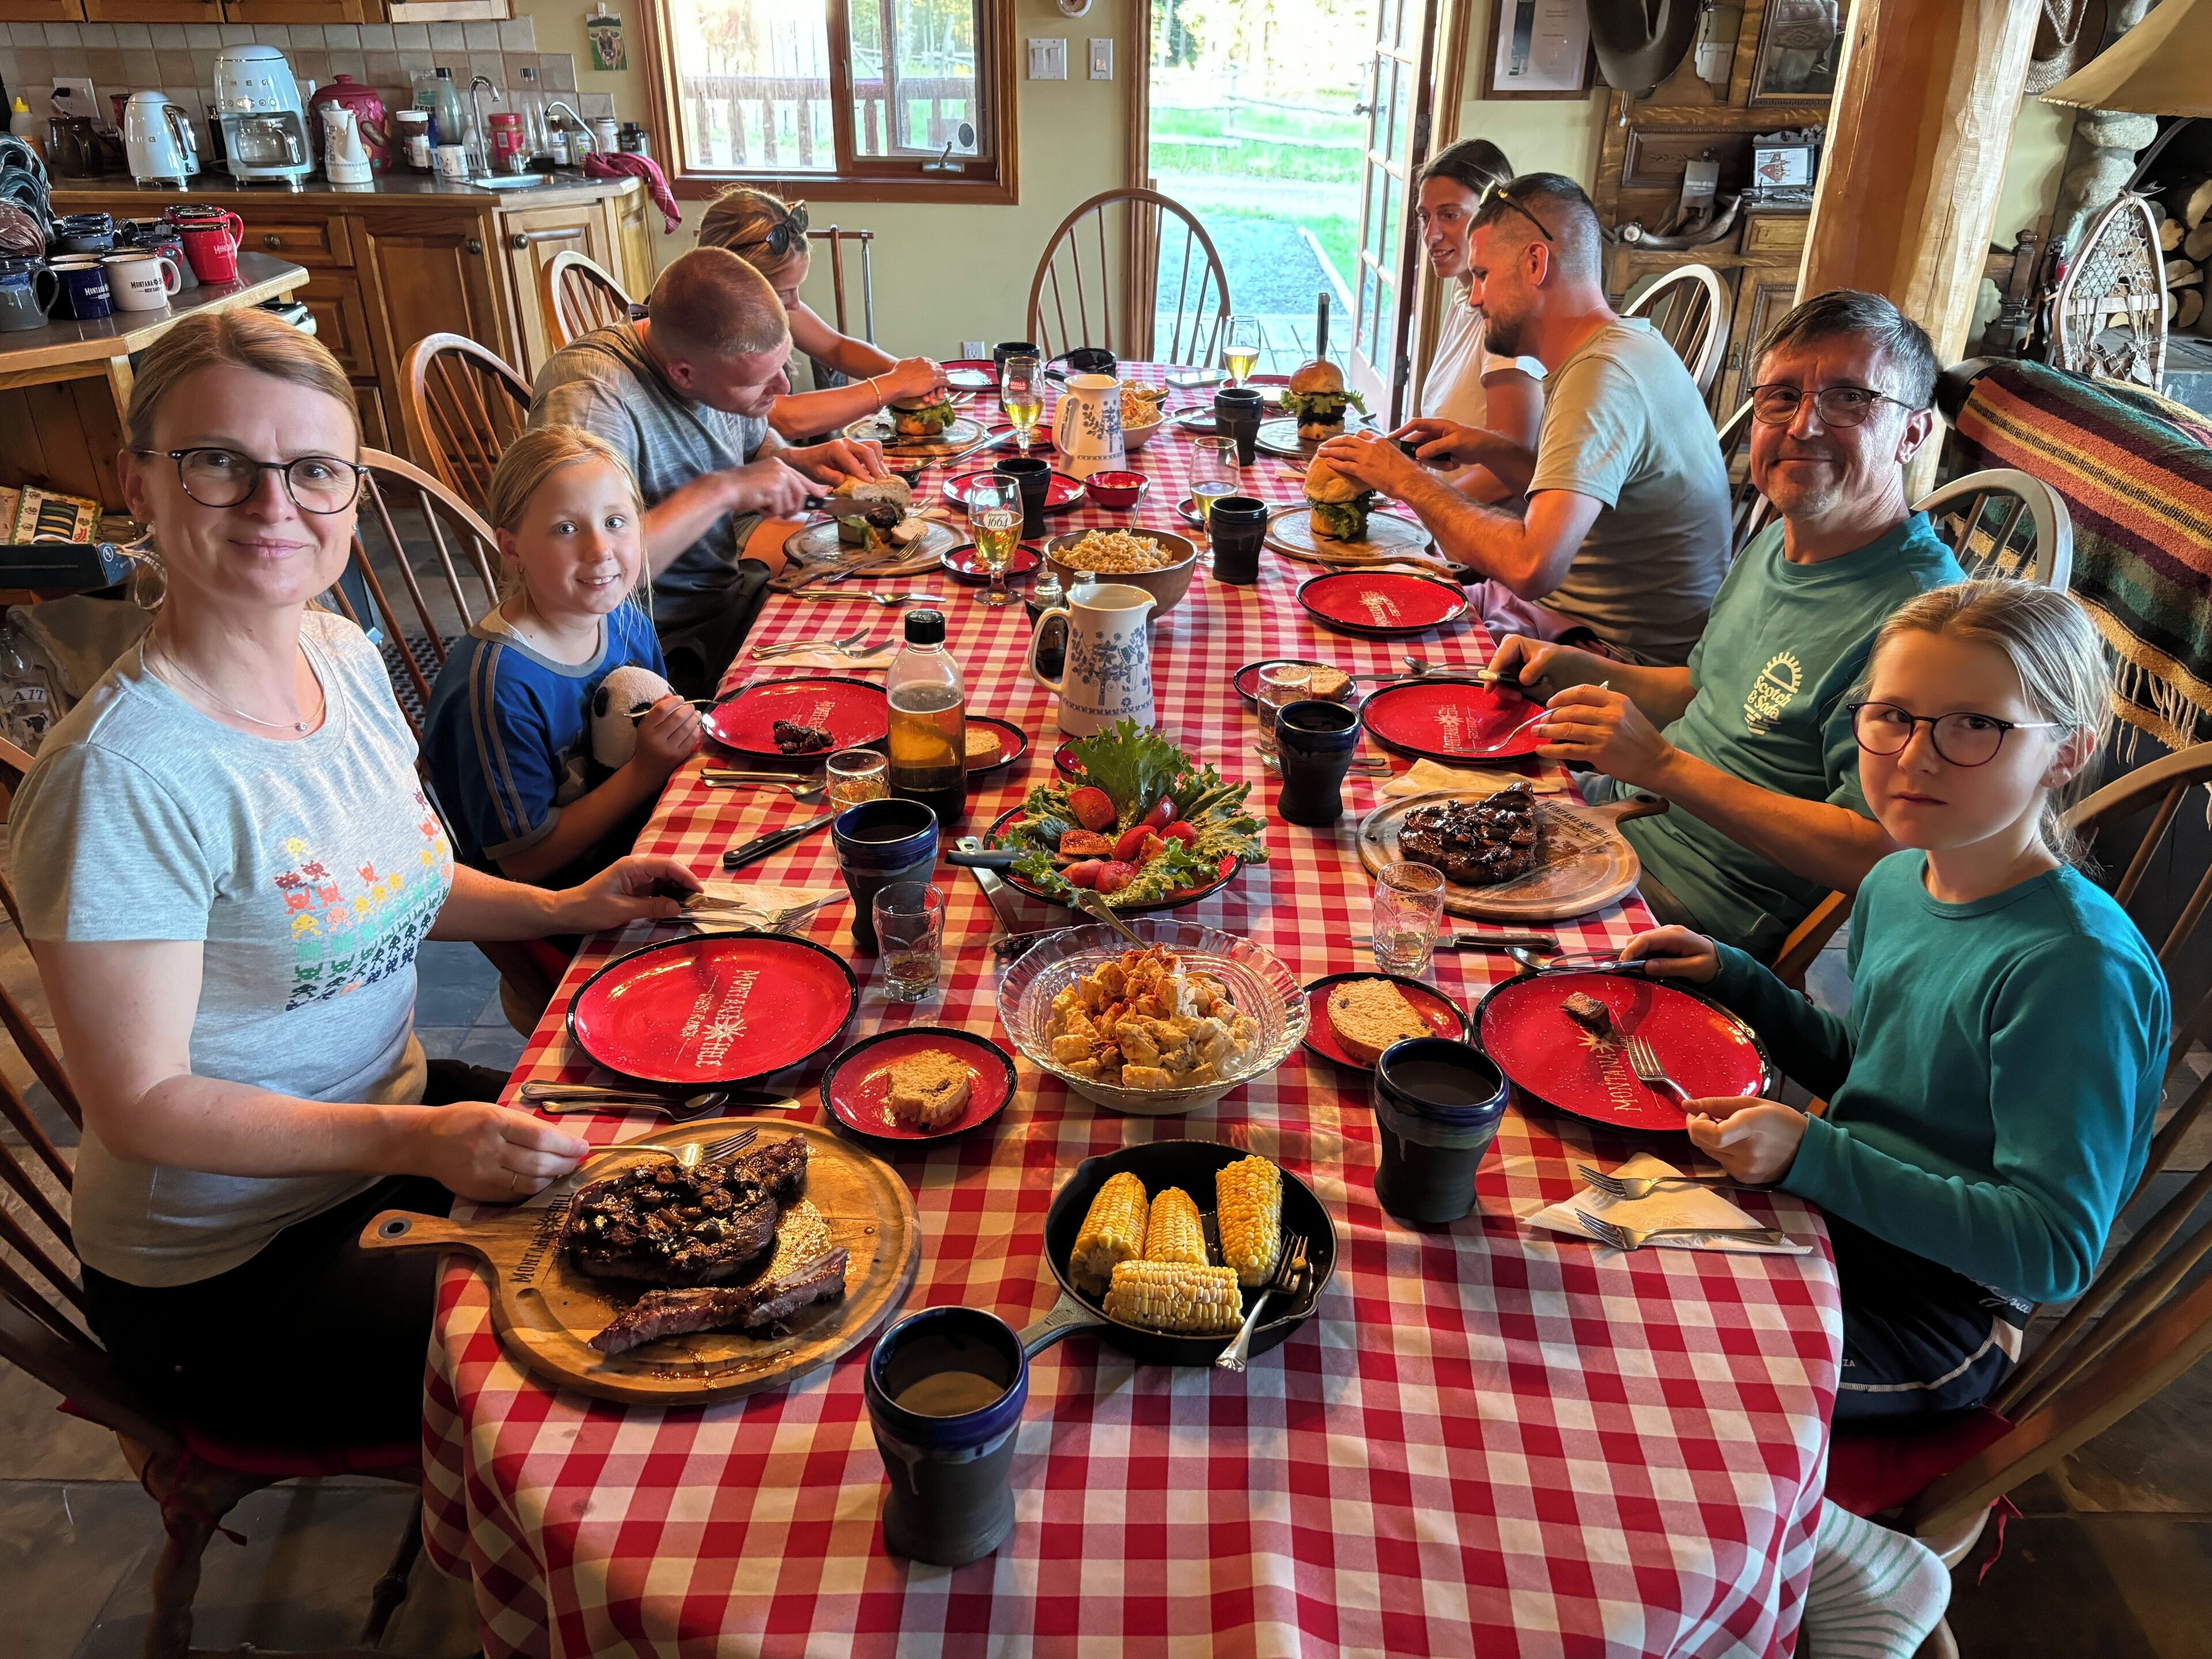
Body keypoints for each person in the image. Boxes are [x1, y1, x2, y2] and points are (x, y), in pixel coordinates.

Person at [10, 310, 700, 1446]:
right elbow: (141, 1109)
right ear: (140, 481)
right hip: (233, 1277)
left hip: (386, 1140)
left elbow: (402, 880)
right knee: (621, 1326)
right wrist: (417, 1146)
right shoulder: (123, 778)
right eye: (221, 464)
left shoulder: (341, 654)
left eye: (315, 469)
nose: (277, 504)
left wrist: (566, 906)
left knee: (670, 1161)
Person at [1624, 579, 2165, 1425]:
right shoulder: (1895, 879)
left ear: (2066, 753)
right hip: (1840, 1216)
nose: (1917, 756)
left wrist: (1817, 1157)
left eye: (1975, 726)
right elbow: (1870, 1076)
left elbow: (2052, 1251)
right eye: (1894, 717)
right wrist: (1738, 980)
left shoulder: (2073, 969)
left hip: (1941, 1310)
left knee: (1661, 1376)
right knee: (1596, 1269)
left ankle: (1851, 1552)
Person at [1493, 290, 1967, 959]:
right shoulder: (1781, 538)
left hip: (1691, 914)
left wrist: (1664, 767)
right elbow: (1706, 689)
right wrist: (1583, 670)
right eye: (1781, 397)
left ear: (1913, 434)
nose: (1804, 426)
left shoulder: (1926, 625)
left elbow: (1885, 853)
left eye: (1849, 399)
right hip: (1608, 823)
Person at [1319, 173, 1731, 665]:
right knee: (1363, 592)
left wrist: (1407, 482)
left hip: (1611, 661)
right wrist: (1492, 448)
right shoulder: (1630, 343)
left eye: (1484, 276)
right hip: (1566, 622)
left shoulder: (1599, 379)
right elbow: (1590, 499)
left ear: (1536, 263)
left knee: (1354, 631)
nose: (1474, 299)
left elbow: (1534, 566)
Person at [528, 246, 890, 700]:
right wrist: (723, 490)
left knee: (889, 626)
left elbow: (756, 447)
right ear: (683, 374)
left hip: (727, 599)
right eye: (762, 382)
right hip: (647, 650)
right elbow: (592, 569)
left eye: (784, 368)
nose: (781, 391)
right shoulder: (592, 400)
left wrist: (797, 460)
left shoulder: (719, 363)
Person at [422, 426, 700, 888]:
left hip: (647, 842)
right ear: (512, 549)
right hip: (565, 906)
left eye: (615, 521)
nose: (600, 550)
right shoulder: (498, 686)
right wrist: (644, 773)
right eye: (566, 529)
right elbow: (525, 863)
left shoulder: (627, 623)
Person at [696, 186, 952, 441]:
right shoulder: (703, 332)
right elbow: (782, 418)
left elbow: (836, 348)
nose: (795, 304)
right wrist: (893, 385)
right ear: (734, 283)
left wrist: (905, 372)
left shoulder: (754, 304)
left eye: (797, 288)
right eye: (783, 292)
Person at [1409, 139, 1543, 503]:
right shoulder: (1463, 294)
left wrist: (1422, 508)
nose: (1430, 235)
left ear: (1491, 219)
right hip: (1446, 507)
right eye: (1424, 217)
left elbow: (1511, 472)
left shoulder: (1509, 317)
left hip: (1483, 530)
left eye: (1450, 215)